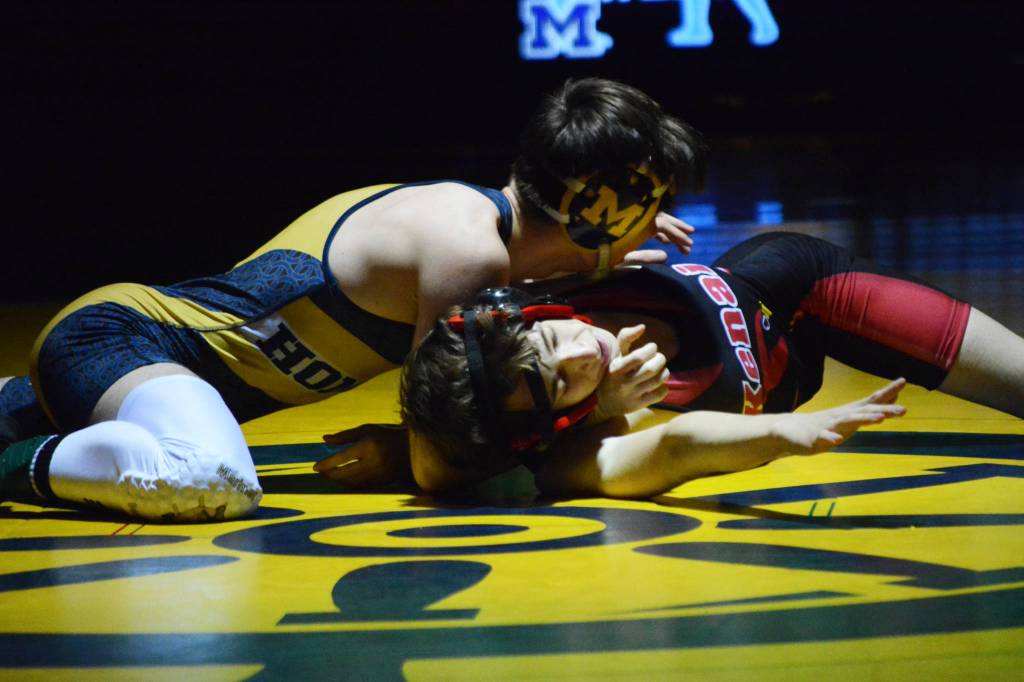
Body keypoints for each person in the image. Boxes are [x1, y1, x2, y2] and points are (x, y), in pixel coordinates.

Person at [0, 77, 707, 521]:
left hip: (142, 366)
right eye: (652, 205)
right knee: (209, 477)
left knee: (185, 443)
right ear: (598, 205)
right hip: (122, 343)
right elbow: (443, 467)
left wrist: (598, 252)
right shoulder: (465, 250)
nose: (658, 225)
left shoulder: (477, 230)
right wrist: (601, 407)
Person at [391, 231, 1024, 498]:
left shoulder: (529, 286)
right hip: (788, 366)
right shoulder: (578, 456)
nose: (585, 352)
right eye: (561, 381)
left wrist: (618, 228)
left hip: (798, 280)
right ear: (548, 426)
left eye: (553, 340)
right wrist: (787, 433)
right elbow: (681, 445)